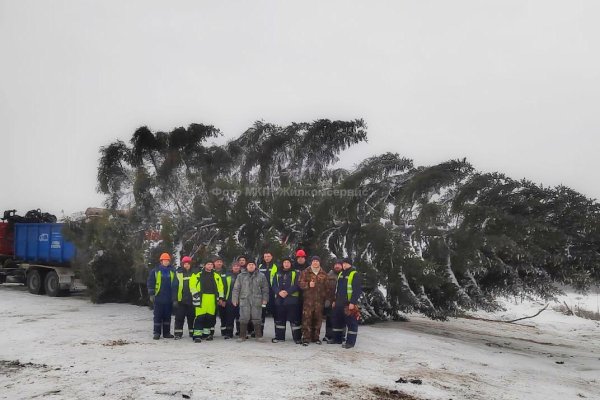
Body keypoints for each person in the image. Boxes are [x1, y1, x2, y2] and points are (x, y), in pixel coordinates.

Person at [231, 261, 269, 342]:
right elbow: (236, 288)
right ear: (246, 266)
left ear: (255, 266)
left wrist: (265, 299)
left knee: (257, 318)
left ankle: (258, 336)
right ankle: (242, 336)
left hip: (257, 299)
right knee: (243, 318)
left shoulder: (261, 276)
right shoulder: (241, 276)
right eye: (249, 265)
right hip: (244, 299)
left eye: (252, 264)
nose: (251, 266)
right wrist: (234, 299)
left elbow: (265, 288)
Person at [330, 258, 363, 349]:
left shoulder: (354, 274)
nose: (344, 265)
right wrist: (334, 301)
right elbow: (337, 289)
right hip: (339, 302)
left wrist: (353, 302)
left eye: (346, 263)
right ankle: (337, 339)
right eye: (343, 263)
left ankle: (350, 342)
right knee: (337, 321)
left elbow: (357, 290)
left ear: (350, 264)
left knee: (351, 323)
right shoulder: (341, 273)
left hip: (348, 304)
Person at [190, 260, 225, 343]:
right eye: (208, 264)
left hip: (212, 298)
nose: (210, 266)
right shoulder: (198, 274)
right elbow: (192, 284)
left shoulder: (216, 276)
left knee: (209, 317)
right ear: (205, 265)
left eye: (211, 265)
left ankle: (206, 334)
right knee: (200, 317)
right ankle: (197, 335)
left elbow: (220, 287)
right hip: (201, 297)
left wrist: (221, 298)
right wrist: (195, 294)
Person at [298, 256, 329, 345]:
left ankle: (316, 337)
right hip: (308, 301)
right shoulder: (305, 272)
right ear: (311, 262)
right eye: (314, 261)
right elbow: (300, 283)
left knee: (318, 319)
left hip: (319, 301)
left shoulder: (324, 273)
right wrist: (308, 284)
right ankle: (306, 338)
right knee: (306, 319)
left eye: (317, 261)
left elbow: (327, 287)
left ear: (319, 262)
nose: (315, 263)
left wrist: (327, 299)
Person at [270, 257, 302, 344]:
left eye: (288, 262)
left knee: (295, 320)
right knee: (280, 320)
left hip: (292, 300)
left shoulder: (296, 273)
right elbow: (273, 285)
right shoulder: (277, 273)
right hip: (280, 300)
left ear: (291, 264)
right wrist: (279, 292)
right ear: (282, 264)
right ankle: (280, 337)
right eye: (285, 262)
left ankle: (297, 338)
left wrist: (287, 292)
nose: (286, 264)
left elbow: (297, 284)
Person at [147, 253, 177, 340]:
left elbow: (175, 284)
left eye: (167, 260)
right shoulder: (155, 271)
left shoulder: (172, 271)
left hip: (169, 297)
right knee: (157, 316)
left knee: (167, 316)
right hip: (158, 297)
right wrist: (152, 293)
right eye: (164, 260)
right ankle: (156, 333)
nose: (166, 262)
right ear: (161, 261)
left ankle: (166, 333)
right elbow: (150, 282)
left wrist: (174, 298)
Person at [172, 256, 196, 339]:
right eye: (185, 264)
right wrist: (175, 299)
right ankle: (178, 334)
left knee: (192, 317)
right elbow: (174, 287)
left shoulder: (195, 273)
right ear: (182, 264)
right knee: (179, 317)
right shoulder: (178, 273)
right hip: (181, 300)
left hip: (192, 299)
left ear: (191, 264)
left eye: (188, 264)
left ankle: (192, 332)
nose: (186, 265)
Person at [323, 259, 343, 343]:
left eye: (339, 264)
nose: (337, 266)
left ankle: (341, 336)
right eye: (336, 264)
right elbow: (324, 288)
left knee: (341, 319)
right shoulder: (329, 275)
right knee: (330, 319)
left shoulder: (344, 275)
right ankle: (328, 335)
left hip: (341, 301)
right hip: (330, 301)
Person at [222, 261, 241, 339]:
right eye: (234, 266)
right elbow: (223, 288)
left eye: (237, 266)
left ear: (240, 267)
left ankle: (241, 333)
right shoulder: (227, 276)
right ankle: (229, 333)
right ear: (232, 267)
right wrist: (223, 299)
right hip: (229, 299)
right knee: (229, 317)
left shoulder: (243, 275)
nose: (236, 267)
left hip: (241, 300)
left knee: (240, 317)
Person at [258, 251, 278, 321]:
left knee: (275, 312)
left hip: (272, 291)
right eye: (265, 257)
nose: (267, 258)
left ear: (271, 257)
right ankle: (260, 330)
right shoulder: (260, 266)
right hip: (262, 292)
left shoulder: (276, 266)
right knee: (261, 312)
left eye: (268, 256)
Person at [214, 256, 228, 337]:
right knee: (212, 316)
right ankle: (210, 331)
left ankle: (224, 331)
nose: (219, 263)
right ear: (214, 263)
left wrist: (223, 299)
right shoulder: (210, 272)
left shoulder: (226, 273)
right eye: (217, 261)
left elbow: (227, 286)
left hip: (223, 298)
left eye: (220, 262)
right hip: (212, 297)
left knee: (223, 316)